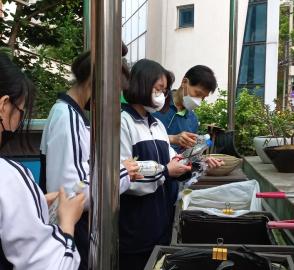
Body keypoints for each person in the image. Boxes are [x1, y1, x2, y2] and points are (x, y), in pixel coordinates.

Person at [39, 50, 140, 270]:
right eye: (115, 92)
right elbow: (72, 195)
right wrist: (122, 173)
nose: (114, 101)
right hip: (71, 235)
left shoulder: (67, 113)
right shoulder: (69, 119)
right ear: (96, 83)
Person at [0, 52, 85, 269]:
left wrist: (33, 202)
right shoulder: (9, 177)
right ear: (4, 105)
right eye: (21, 111)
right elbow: (54, 264)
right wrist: (67, 224)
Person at [120, 59, 192, 270]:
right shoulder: (123, 122)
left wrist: (194, 162)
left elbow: (172, 160)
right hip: (133, 228)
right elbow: (125, 174)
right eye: (158, 89)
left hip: (159, 223)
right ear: (141, 84)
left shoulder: (157, 124)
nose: (162, 95)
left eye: (164, 90)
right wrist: (166, 172)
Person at [154, 65, 218, 152]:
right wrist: (172, 139)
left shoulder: (193, 120)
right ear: (184, 82)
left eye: (203, 97)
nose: (198, 101)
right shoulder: (155, 104)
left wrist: (202, 159)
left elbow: (186, 155)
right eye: (197, 93)